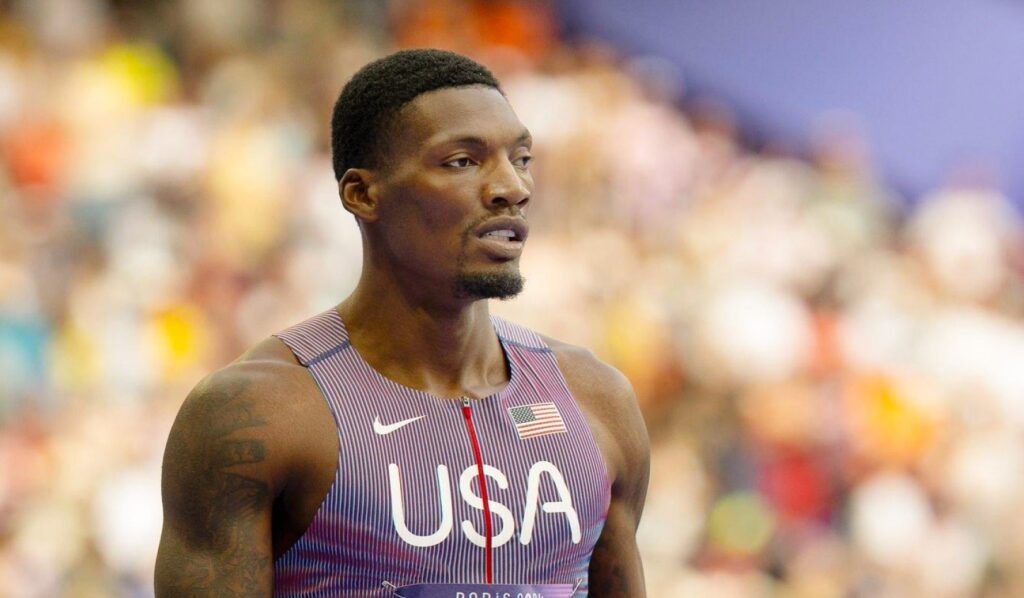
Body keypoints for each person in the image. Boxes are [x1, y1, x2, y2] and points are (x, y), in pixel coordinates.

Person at [155, 48, 649, 597]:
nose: (513, 187)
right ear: (363, 194)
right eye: (462, 161)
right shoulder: (256, 414)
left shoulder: (597, 400)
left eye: (522, 158)